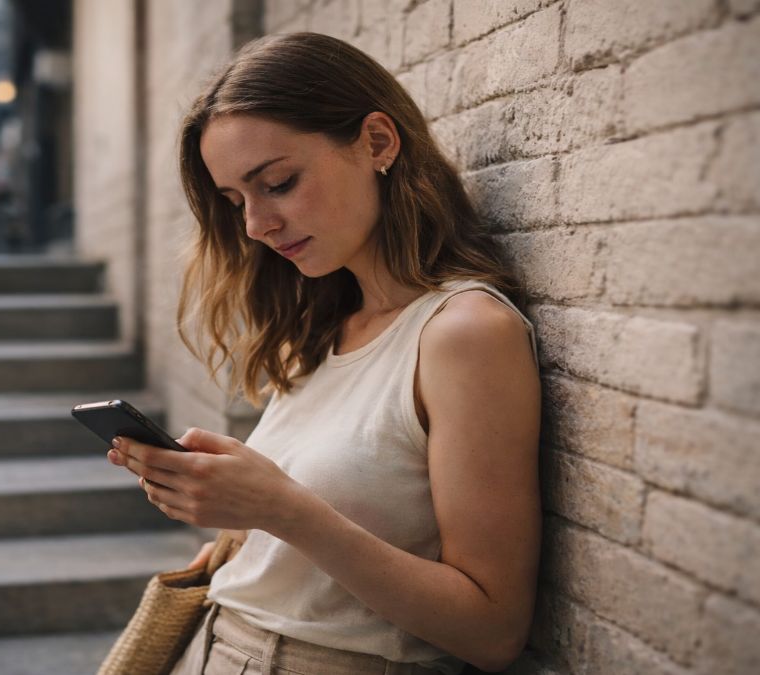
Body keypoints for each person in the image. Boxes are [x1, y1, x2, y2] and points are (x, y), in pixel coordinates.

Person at [106, 32, 541, 675]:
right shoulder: (323, 327)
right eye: (235, 202)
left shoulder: (463, 334)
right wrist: (233, 524)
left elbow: (493, 630)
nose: (255, 224)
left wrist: (280, 509)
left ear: (377, 143)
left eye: (277, 183)